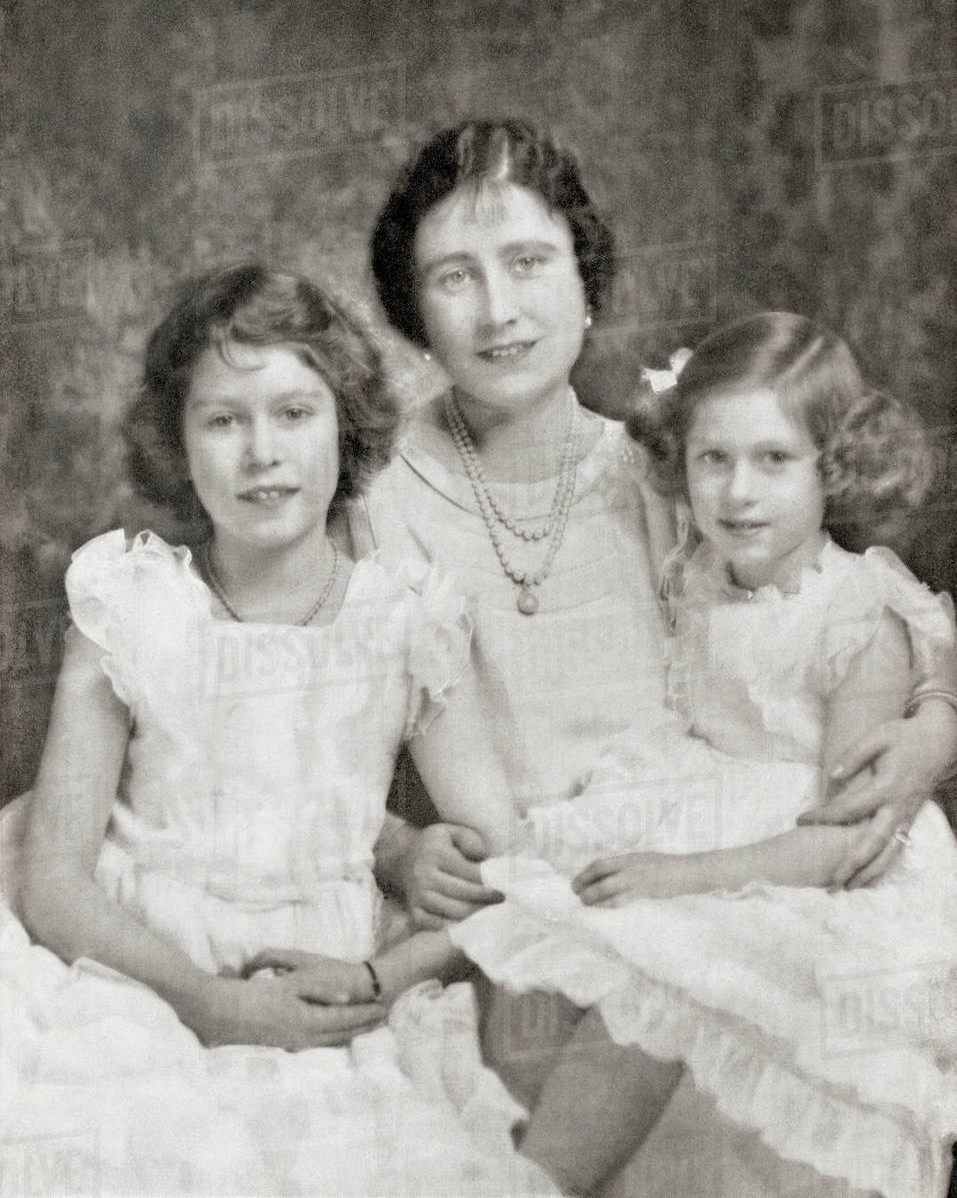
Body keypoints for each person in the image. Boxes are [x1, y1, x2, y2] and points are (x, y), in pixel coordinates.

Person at [350, 120, 957, 1194]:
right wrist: (397, 845)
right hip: (522, 904)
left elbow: (849, 618)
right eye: (456, 276)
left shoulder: (676, 469)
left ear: (586, 283)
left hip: (717, 887)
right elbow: (291, 727)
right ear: (413, 312)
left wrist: (936, 723)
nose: (500, 311)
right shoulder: (371, 500)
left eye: (530, 263)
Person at [2, 264, 555, 1196]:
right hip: (132, 975)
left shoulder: (405, 622)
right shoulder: (130, 605)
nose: (263, 452)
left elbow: (505, 873)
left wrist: (378, 979)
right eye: (224, 420)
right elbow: (54, 880)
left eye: (295, 413)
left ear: (346, 423)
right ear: (178, 443)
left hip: (332, 984)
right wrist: (206, 1003)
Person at [449, 311, 957, 1198]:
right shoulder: (697, 569)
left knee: (672, 978)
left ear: (831, 469)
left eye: (773, 460)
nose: (736, 494)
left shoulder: (856, 618)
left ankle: (536, 1181)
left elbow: (846, 839)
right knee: (569, 936)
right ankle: (531, 1175)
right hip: (699, 804)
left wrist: (683, 874)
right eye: (710, 460)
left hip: (818, 874)